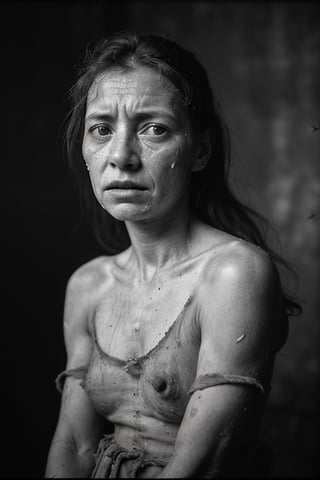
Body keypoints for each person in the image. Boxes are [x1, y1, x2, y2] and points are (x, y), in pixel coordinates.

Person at [45, 31, 300, 478]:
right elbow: (74, 444)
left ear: (200, 150)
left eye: (154, 129)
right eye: (101, 129)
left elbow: (204, 464)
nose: (121, 156)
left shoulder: (234, 275)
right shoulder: (89, 285)